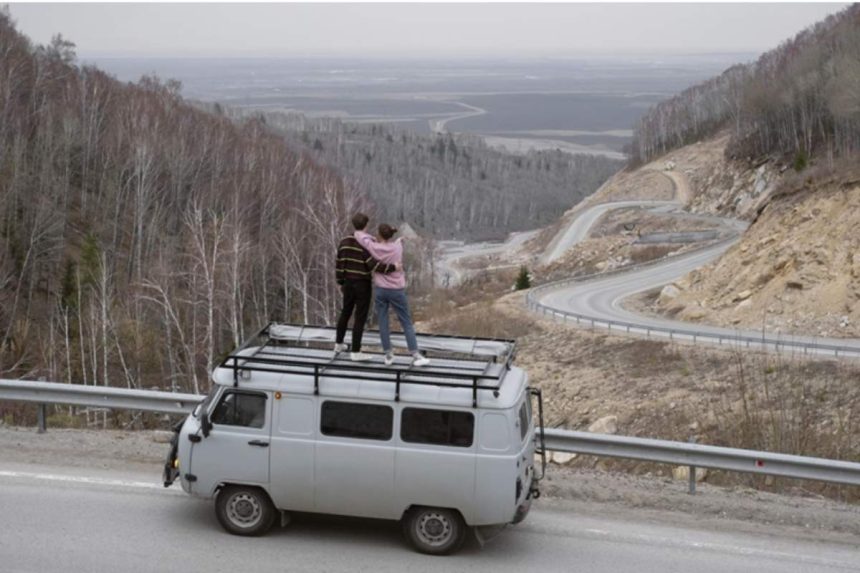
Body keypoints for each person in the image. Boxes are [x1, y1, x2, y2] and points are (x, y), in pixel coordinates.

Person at [355, 223, 430, 367]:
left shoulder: (373, 247)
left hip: (381, 290)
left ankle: (388, 355)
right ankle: (415, 353)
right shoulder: (397, 248)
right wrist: (399, 240)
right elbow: (396, 244)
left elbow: (359, 235)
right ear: (391, 235)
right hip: (396, 290)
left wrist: (372, 238)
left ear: (380, 235)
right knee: (406, 322)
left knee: (383, 322)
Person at [335, 213, 399, 361]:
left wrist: (341, 282)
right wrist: (393, 267)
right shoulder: (365, 244)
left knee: (345, 313)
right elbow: (374, 265)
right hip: (362, 283)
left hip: (348, 283)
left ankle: (338, 344)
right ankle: (356, 352)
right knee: (360, 317)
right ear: (365, 226)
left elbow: (339, 263)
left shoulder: (344, 241)